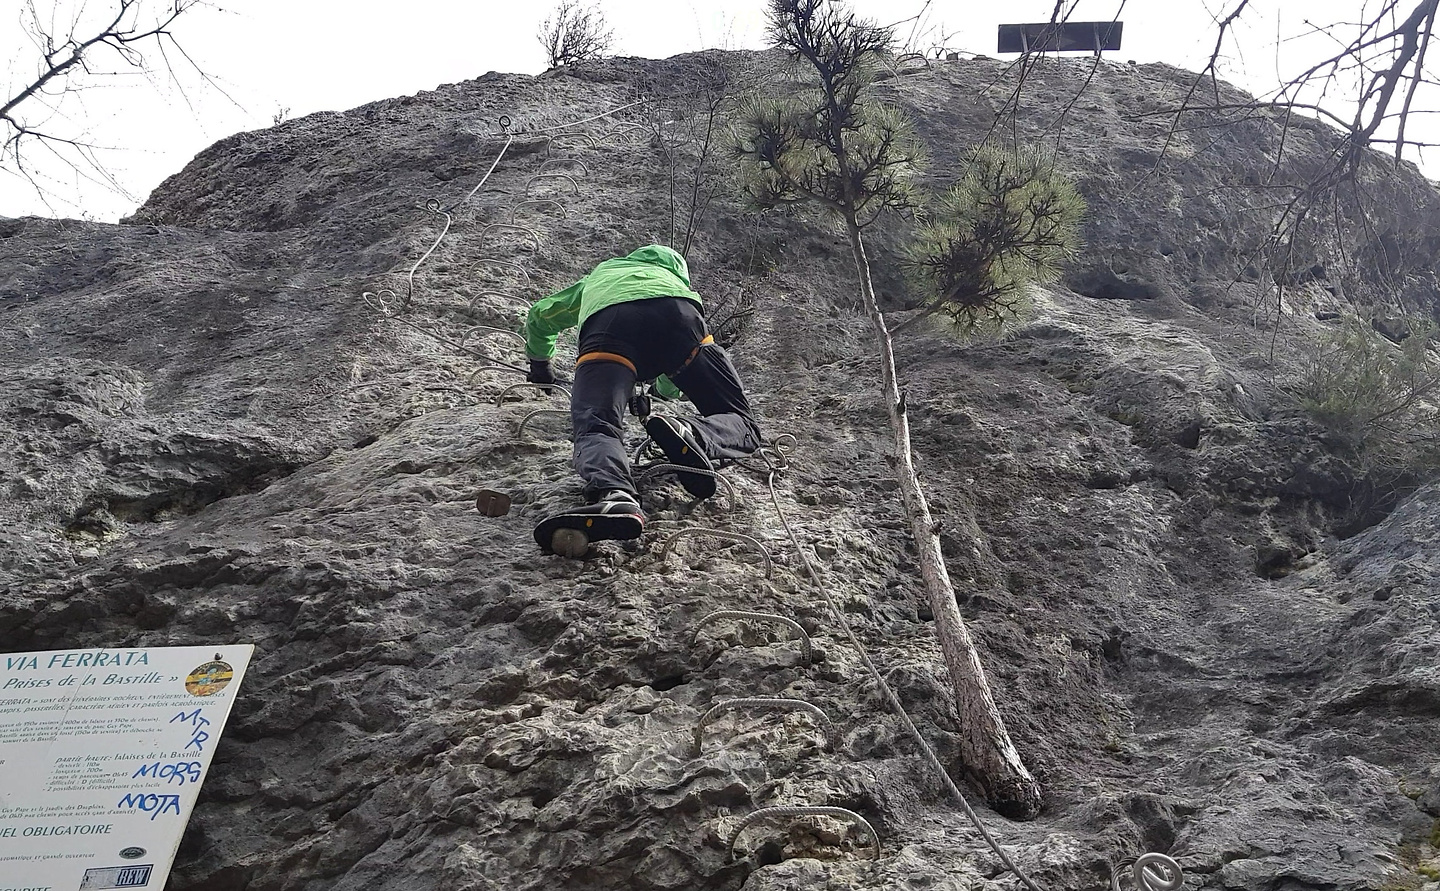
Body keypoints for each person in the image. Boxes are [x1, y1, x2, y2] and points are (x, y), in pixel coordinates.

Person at [524, 244, 763, 556]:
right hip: (679, 317)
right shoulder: (674, 283)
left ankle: (616, 494)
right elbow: (672, 376)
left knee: (598, 425)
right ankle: (693, 433)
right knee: (739, 419)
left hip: (609, 323)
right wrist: (658, 395)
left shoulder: (604, 275)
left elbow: (541, 316)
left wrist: (541, 367)